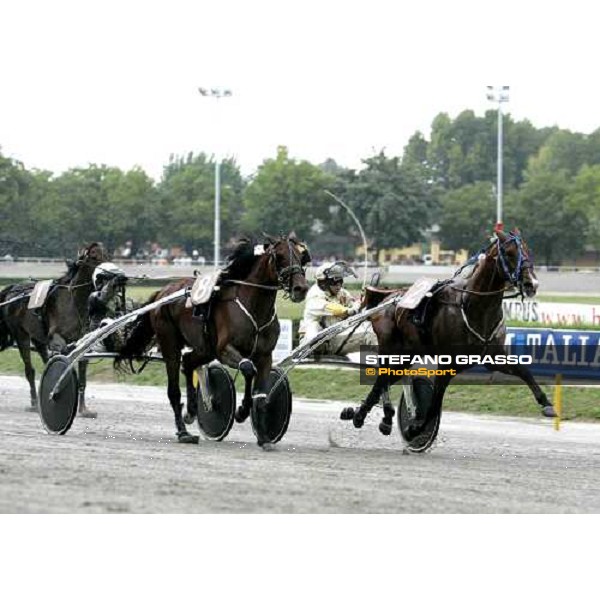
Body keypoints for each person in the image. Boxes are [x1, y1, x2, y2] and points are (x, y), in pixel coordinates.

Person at [299, 261, 376, 355]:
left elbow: (355, 304)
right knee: (314, 326)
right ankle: (311, 354)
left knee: (370, 333)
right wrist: (352, 310)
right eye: (335, 281)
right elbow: (338, 310)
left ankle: (384, 366)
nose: (339, 285)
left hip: (334, 339)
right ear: (324, 282)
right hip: (313, 343)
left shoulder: (341, 293)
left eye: (340, 281)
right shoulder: (314, 295)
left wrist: (363, 300)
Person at [88, 262, 127, 346]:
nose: (117, 287)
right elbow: (104, 297)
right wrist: (113, 282)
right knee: (107, 322)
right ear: (100, 281)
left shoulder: (120, 299)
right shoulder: (94, 296)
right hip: (99, 338)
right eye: (108, 280)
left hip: (120, 333)